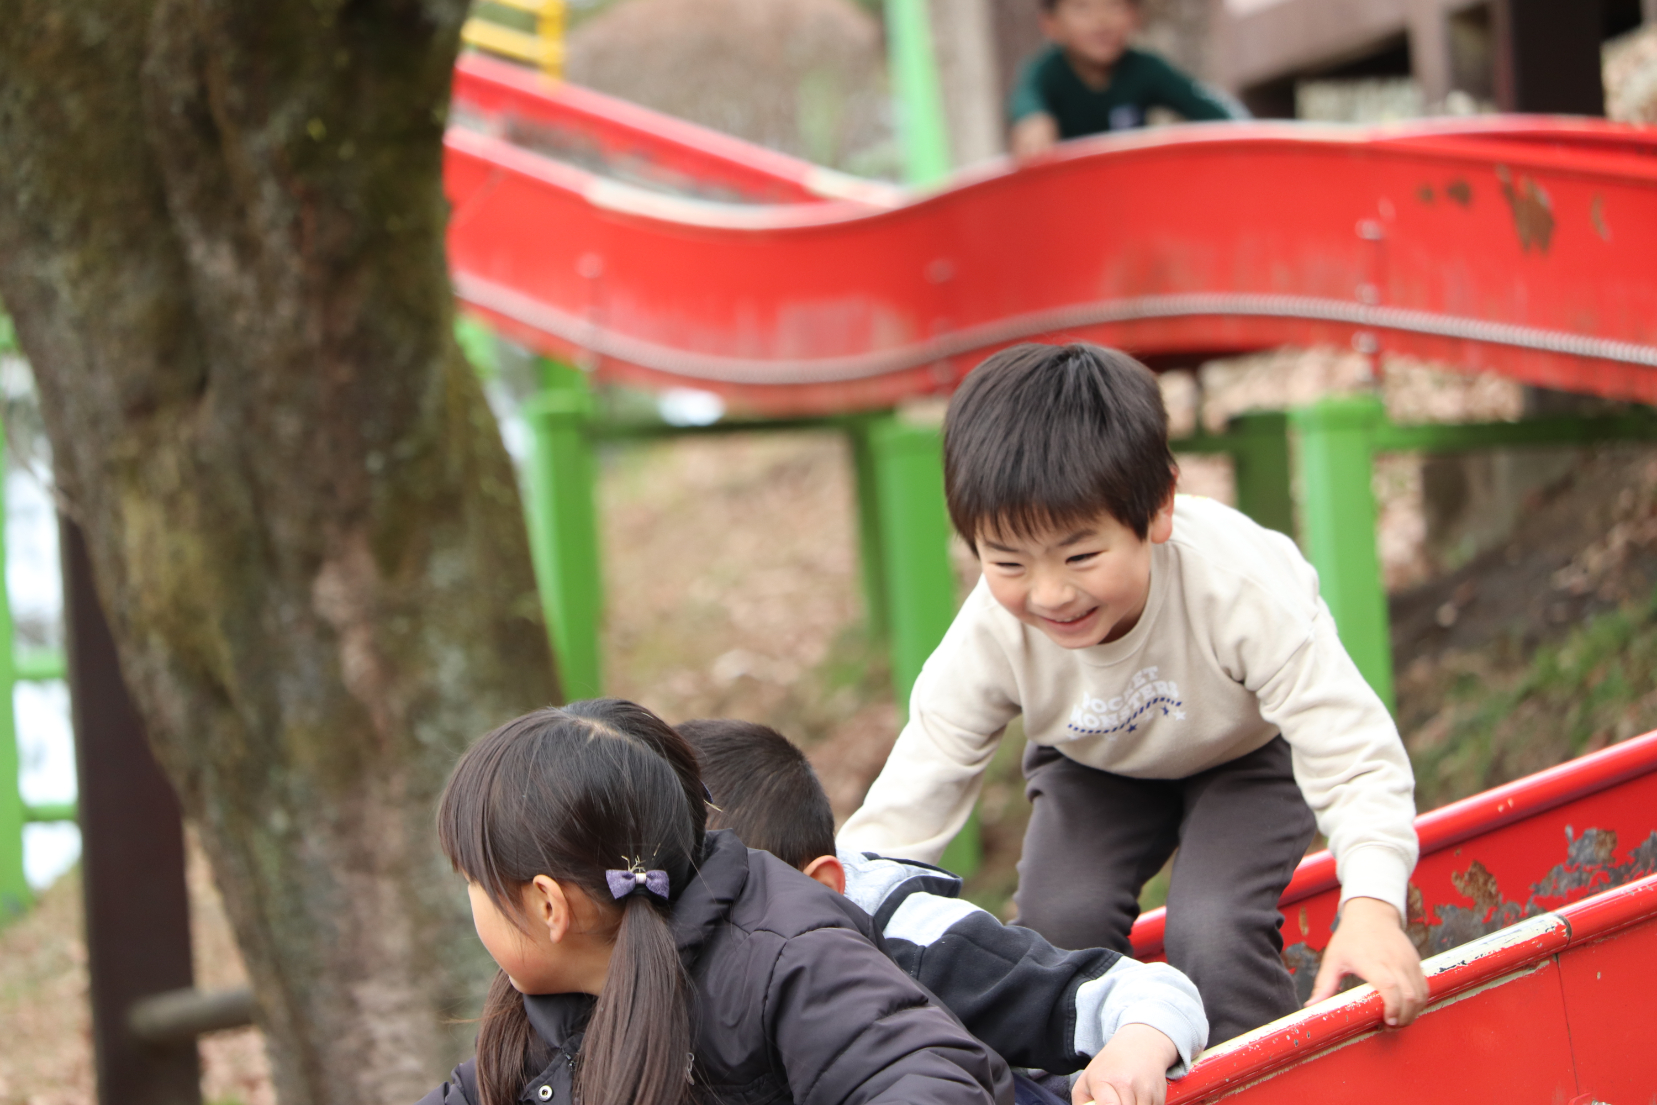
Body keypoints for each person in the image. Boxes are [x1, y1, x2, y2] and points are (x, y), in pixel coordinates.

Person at [838, 343, 1428, 1047]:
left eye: (1080, 555)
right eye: (1008, 562)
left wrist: (1372, 906)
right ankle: (1087, 1078)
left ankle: (1265, 1079)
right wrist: (836, 916)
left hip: (1246, 756)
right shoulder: (991, 633)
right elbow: (917, 789)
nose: (1050, 593)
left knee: (1213, 928)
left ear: (1158, 508)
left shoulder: (1238, 587)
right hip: (1094, 767)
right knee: (1058, 926)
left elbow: (1353, 755)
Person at [415, 699, 1012, 1105]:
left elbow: (927, 1076)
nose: (473, 898)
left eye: (474, 880)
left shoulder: (785, 956)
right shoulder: (551, 1008)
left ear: (550, 906)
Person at [680, 718, 1207, 1105]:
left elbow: (1150, 991)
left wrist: (1135, 1050)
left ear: (824, 889)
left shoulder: (923, 949)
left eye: (723, 918)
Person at [1009, 0, 1244, 158]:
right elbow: (1026, 99)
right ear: (1050, 23)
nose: (1101, 21)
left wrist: (1242, 131)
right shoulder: (1046, 72)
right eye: (1082, 7)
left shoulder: (1145, 68)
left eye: (1115, 5)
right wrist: (1032, 120)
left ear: (1136, 15)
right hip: (1070, 196)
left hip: (1131, 191)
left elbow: (1205, 105)